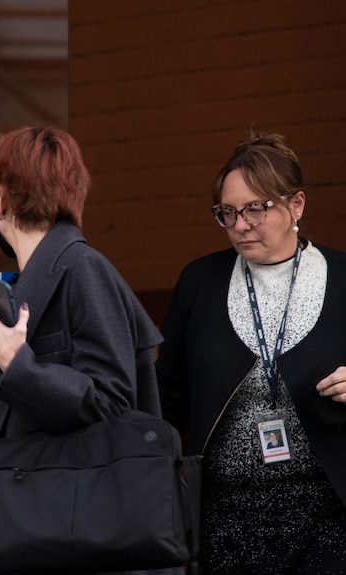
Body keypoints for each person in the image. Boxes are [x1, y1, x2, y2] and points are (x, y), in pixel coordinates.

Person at [0, 126, 166, 574]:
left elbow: (112, 399)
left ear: (2, 197)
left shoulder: (82, 269)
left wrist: (17, 365)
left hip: (65, 531)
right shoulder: (40, 276)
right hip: (40, 527)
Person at [156, 130, 346, 573]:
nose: (240, 225)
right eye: (227, 212)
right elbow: (166, 397)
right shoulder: (199, 283)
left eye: (256, 209)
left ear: (295, 205)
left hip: (329, 519)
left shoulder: (342, 278)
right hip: (225, 523)